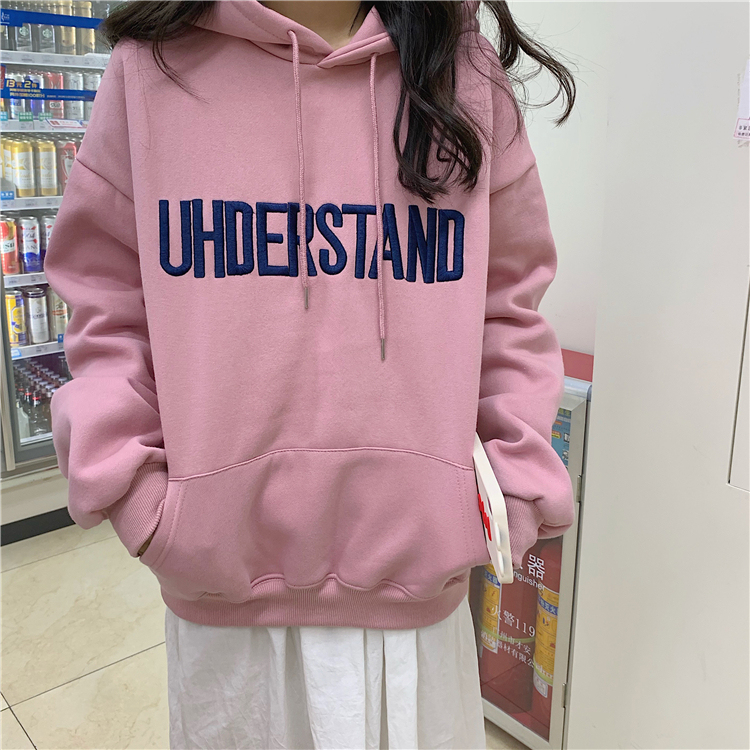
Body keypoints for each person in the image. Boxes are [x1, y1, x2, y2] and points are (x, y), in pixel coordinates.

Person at [43, 0, 577, 747]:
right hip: (224, 605)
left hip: (416, 608)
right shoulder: (151, 67)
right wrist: (140, 497)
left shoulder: (463, 74)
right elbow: (106, 302)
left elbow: (509, 307)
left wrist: (510, 492)